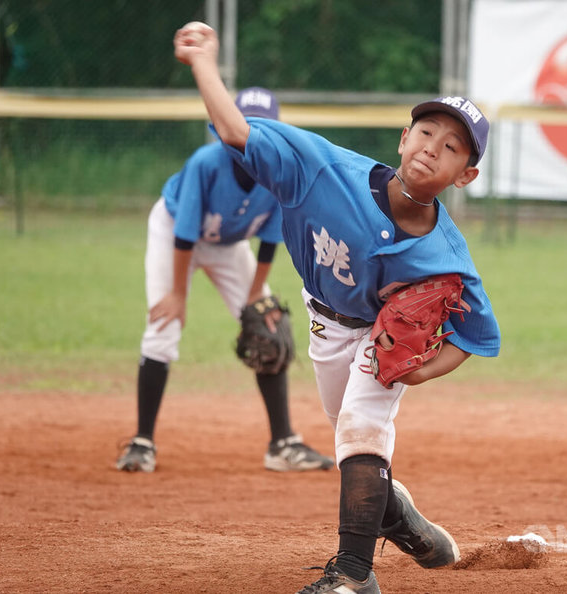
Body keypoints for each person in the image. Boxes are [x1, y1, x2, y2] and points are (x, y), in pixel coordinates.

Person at [174, 23, 501, 594]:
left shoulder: (447, 259)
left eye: (452, 148)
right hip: (325, 322)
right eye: (426, 132)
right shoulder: (322, 169)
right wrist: (204, 62)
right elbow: (234, 131)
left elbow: (474, 336)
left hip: (381, 340)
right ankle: (400, 520)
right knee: (351, 442)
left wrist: (420, 368)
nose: (433, 148)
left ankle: (353, 575)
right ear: (403, 138)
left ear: (465, 176)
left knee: (361, 428)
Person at [115, 86, 335, 475]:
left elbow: (270, 242)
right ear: (222, 125)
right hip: (175, 233)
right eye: (241, 123)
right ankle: (142, 442)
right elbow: (184, 235)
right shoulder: (206, 164)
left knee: (269, 324)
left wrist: (254, 298)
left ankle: (281, 443)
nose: (247, 134)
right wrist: (178, 295)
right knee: (163, 324)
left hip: (229, 245)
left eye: (259, 127)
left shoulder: (278, 175)